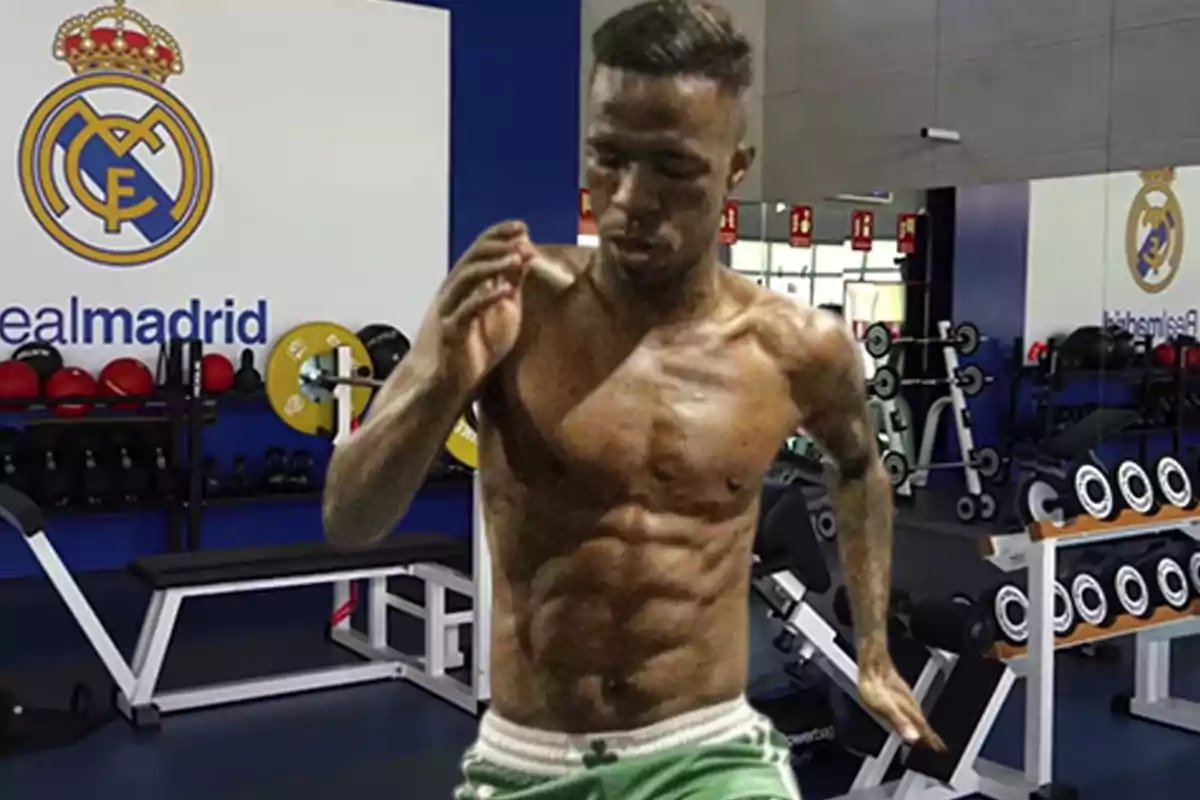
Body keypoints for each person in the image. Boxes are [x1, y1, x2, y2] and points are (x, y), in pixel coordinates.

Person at [322, 1, 942, 797]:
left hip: (710, 751)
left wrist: (874, 652)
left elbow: (861, 469)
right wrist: (442, 380)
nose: (628, 199)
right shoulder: (510, 306)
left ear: (735, 167)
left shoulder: (797, 350)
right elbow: (349, 518)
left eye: (673, 168)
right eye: (607, 157)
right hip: (530, 759)